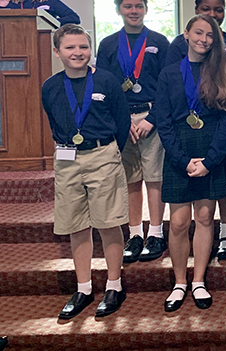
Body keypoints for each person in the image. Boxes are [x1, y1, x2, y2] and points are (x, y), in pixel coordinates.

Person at [42, 24, 130, 318]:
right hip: (67, 158)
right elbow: (54, 121)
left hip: (102, 155)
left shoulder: (106, 80)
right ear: (57, 52)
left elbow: (122, 121)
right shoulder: (50, 86)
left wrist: (108, 151)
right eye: (70, 47)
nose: (78, 52)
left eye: (83, 46)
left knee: (108, 222)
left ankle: (114, 286)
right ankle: (83, 288)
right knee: (76, 225)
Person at [155, 14, 226, 312]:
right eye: (198, 33)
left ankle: (199, 280)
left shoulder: (222, 71)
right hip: (179, 152)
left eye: (210, 35)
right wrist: (181, 160)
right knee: (178, 222)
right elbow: (163, 121)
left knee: (204, 218)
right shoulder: (169, 74)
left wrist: (211, 160)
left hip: (210, 151)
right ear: (186, 34)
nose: (204, 39)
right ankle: (179, 282)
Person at [164, 0, 226, 261]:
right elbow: (170, 89)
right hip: (187, 135)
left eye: (218, 9)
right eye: (206, 9)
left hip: (222, 128)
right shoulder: (177, 49)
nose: (213, 13)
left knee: (223, 185)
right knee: (188, 211)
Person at [96, 0, 170, 263]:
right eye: (128, 6)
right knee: (130, 179)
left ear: (146, 9)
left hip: (152, 118)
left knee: (154, 177)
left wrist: (152, 119)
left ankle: (156, 233)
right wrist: (121, 121)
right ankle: (135, 234)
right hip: (122, 120)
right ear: (119, 10)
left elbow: (167, 86)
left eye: (139, 6)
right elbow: (104, 86)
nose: (134, 11)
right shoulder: (108, 44)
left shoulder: (159, 42)